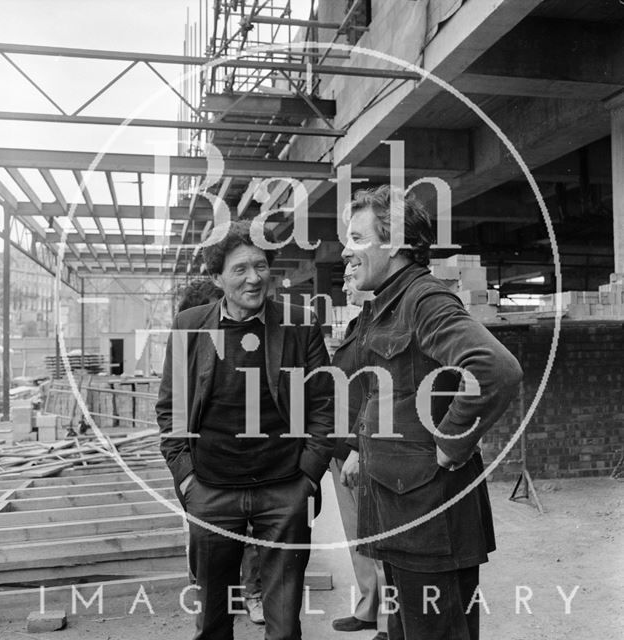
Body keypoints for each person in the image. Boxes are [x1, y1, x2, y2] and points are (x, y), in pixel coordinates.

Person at [339, 185, 523, 640]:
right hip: (400, 512)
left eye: (359, 238)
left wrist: (449, 443)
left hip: (430, 517)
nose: (347, 249)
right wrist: (363, 446)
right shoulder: (386, 304)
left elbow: (496, 369)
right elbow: (390, 391)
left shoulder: (423, 300)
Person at [156, 220, 334, 640]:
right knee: (213, 618)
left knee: (285, 621)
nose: (254, 278)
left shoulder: (299, 323)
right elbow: (170, 408)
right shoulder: (190, 326)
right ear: (217, 277)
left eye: (260, 265)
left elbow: (325, 403)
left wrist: (308, 474)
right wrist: (186, 479)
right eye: (240, 269)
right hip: (211, 490)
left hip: (284, 488)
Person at [177, 278, 265, 625]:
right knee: (204, 534)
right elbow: (174, 410)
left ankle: (253, 593)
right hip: (205, 464)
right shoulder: (190, 341)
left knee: (252, 534)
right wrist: (185, 475)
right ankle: (206, 587)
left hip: (252, 458)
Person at [330, 264, 387, 640]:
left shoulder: (384, 324)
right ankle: (369, 608)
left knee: (379, 536)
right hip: (342, 447)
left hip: (362, 447)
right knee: (356, 534)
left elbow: (380, 390)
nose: (347, 283)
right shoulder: (356, 325)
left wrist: (355, 446)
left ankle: (389, 622)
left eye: (352, 275)